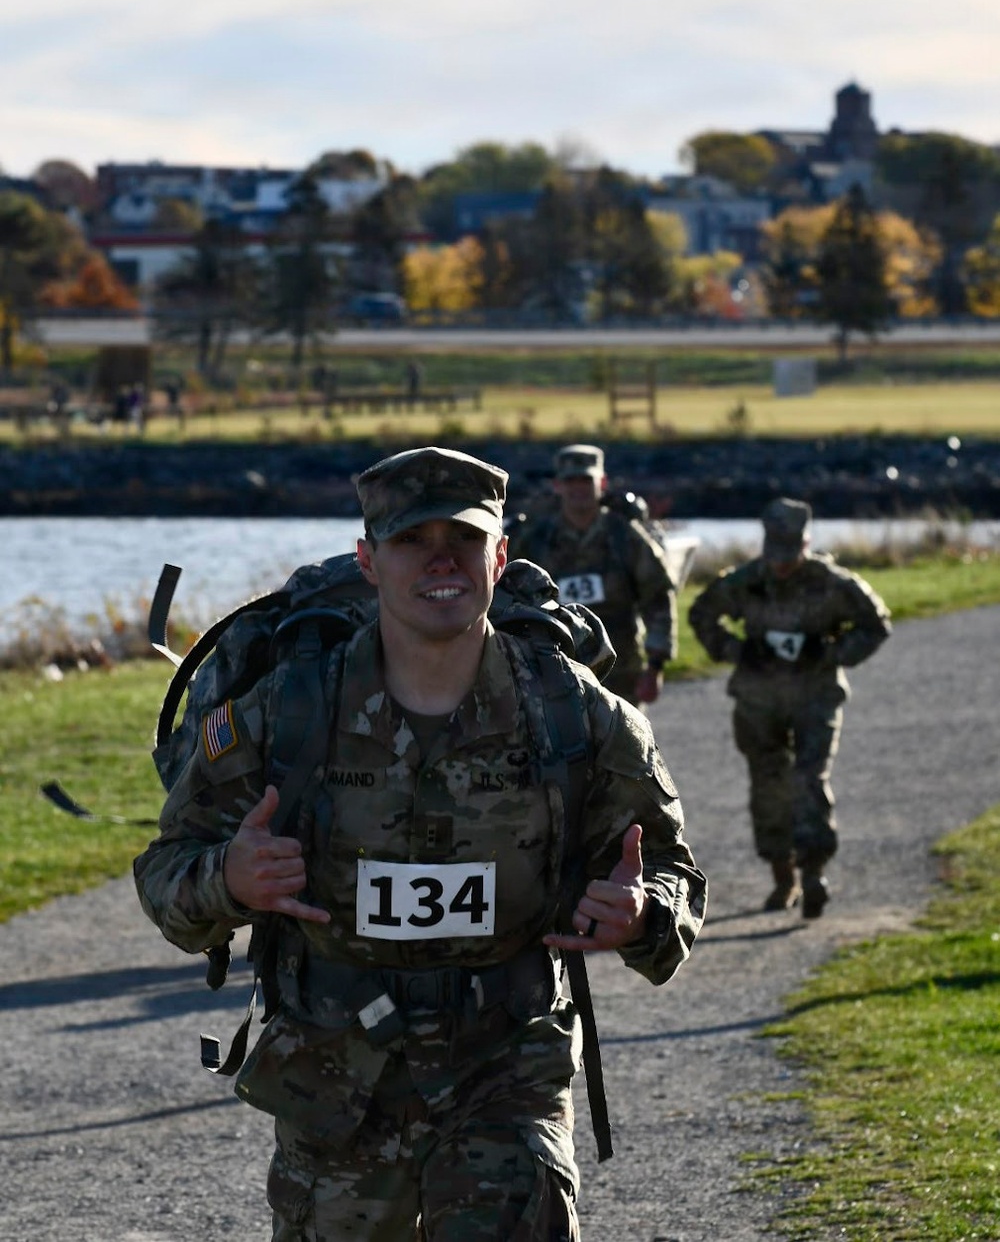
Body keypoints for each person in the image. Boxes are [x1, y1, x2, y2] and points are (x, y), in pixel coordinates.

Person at [134, 445, 706, 1242]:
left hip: (507, 1065)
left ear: (500, 556)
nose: (441, 559)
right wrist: (228, 879)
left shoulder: (573, 712)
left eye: (464, 539)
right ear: (369, 560)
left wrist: (644, 913)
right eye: (411, 540)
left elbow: (672, 865)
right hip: (335, 1077)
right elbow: (166, 872)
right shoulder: (288, 713)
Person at [687, 497, 892, 919]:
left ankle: (814, 871)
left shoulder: (832, 583)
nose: (782, 563)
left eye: (791, 551)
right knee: (768, 784)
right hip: (758, 701)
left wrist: (832, 652)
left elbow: (876, 625)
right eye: (775, 552)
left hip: (815, 697)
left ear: (806, 542)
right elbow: (702, 614)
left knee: (809, 779)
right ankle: (783, 876)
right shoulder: (745, 582)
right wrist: (739, 650)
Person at [507, 443, 678, 707]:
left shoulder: (625, 536)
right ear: (557, 485)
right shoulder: (536, 540)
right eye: (570, 480)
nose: (578, 488)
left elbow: (657, 597)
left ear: (603, 482)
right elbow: (510, 599)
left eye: (586, 480)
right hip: (553, 672)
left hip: (622, 671)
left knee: (624, 746)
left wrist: (655, 665)